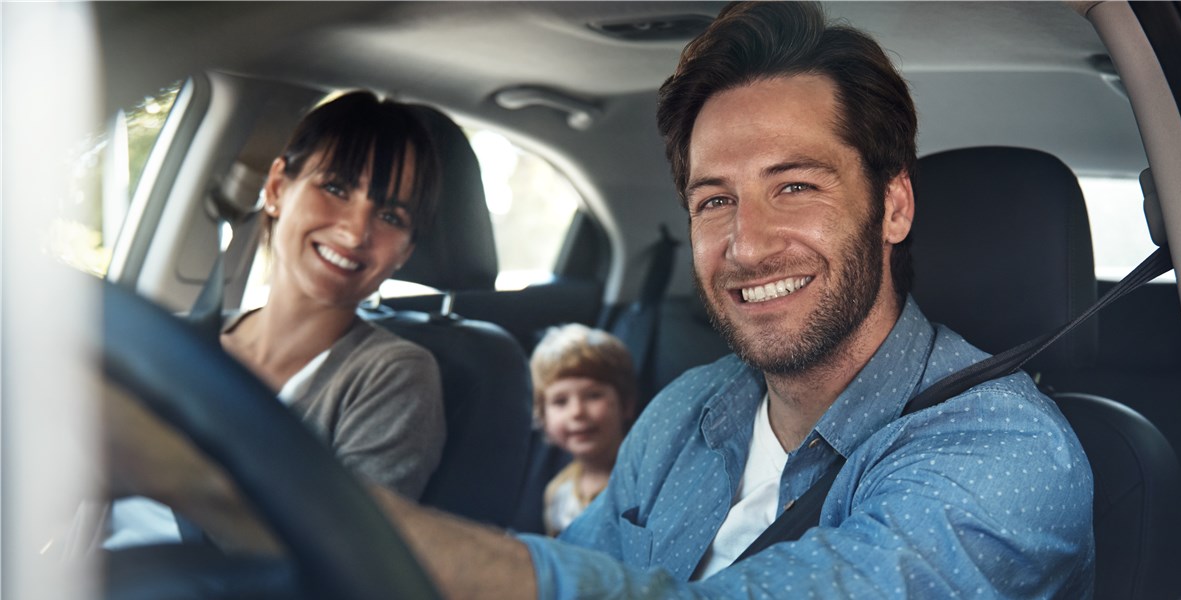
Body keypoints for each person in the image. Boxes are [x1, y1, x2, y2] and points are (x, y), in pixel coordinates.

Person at [108, 2, 1094, 597]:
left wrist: (224, 483)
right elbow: (569, 563)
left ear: (891, 207)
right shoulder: (685, 414)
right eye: (714, 199)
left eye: (794, 185)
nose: (745, 243)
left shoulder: (1003, 455)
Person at [104, 91, 447, 549]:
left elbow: (344, 557)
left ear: (405, 250)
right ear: (277, 188)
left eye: (389, 215)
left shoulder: (392, 375)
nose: (355, 231)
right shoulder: (179, 341)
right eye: (336, 189)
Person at [529, 324, 638, 536]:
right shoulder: (558, 492)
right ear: (543, 417)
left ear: (626, 404)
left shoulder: (641, 480)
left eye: (593, 395)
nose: (577, 412)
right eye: (560, 402)